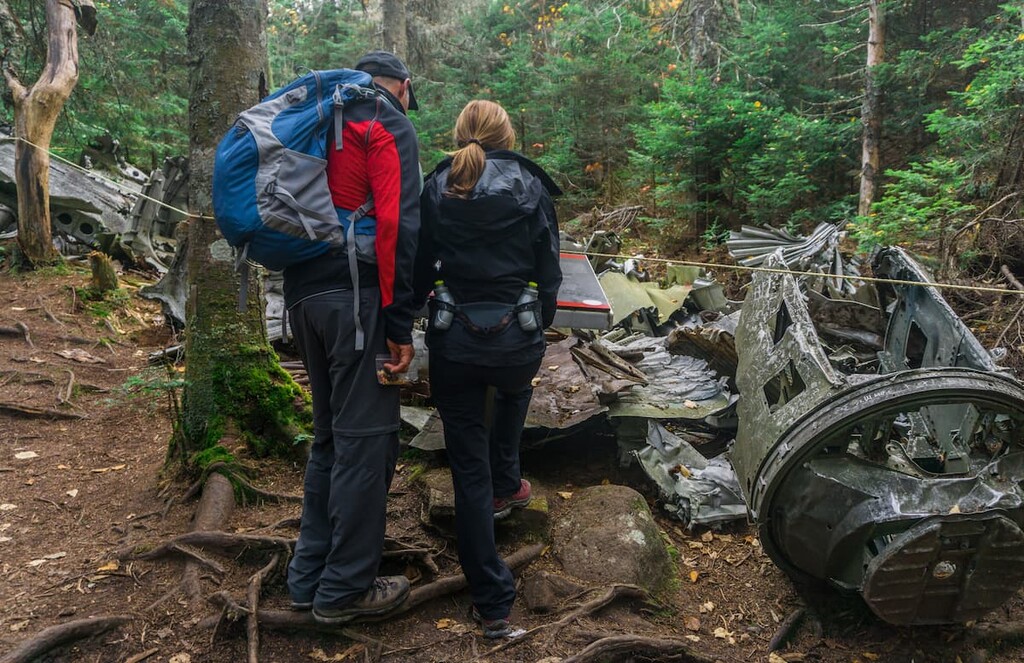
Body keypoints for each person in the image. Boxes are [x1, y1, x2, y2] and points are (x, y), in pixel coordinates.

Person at [414, 99, 562, 638]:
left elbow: (419, 261)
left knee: (465, 469)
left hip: (453, 340)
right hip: (517, 338)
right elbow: (549, 269)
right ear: (507, 134)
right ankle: (509, 480)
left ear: (460, 133)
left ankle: (493, 604)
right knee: (515, 389)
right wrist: (538, 322)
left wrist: (401, 319)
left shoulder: (437, 185)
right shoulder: (532, 186)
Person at [284, 51, 421, 625]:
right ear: (404, 87)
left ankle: (307, 575)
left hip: (302, 297)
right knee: (366, 445)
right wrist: (399, 324)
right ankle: (343, 592)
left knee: (330, 440)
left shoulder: (319, 115)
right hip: (357, 301)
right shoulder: (384, 120)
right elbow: (396, 224)